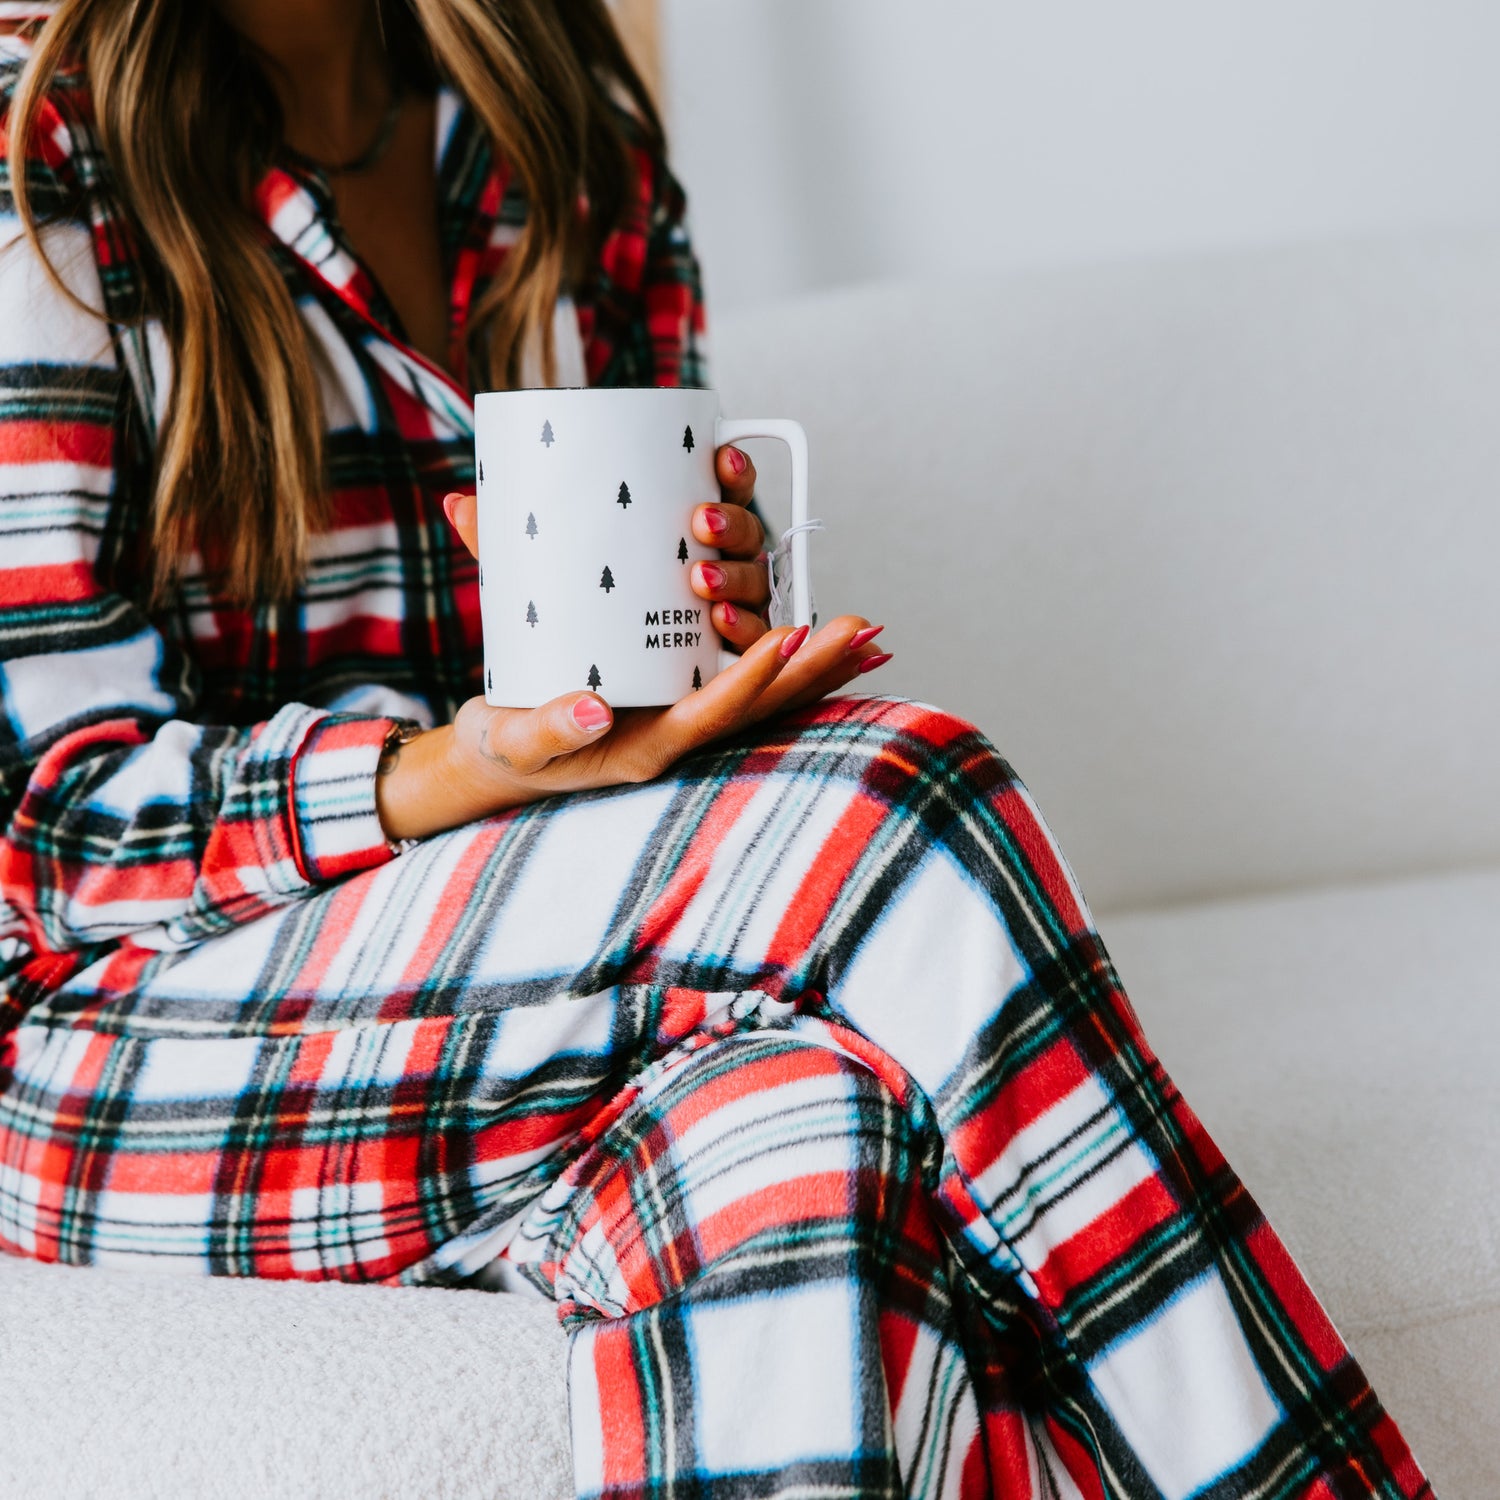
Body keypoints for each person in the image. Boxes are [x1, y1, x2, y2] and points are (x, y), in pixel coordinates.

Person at [0, 3, 1431, 1496]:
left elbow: (625, 667)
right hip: (102, 1042)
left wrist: (708, 628)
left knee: (792, 1138)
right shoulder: (39, 144)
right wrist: (446, 772)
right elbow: (45, 828)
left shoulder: (558, 116)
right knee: (895, 802)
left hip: (499, 982)